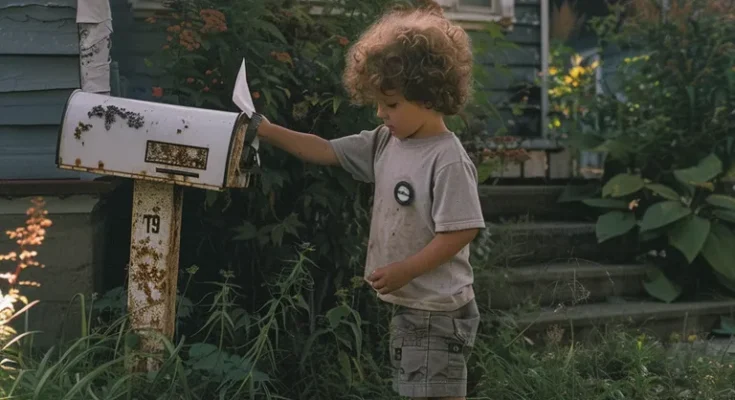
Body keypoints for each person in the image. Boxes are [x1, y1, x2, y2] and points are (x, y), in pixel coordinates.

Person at [251, 1, 485, 398]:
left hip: (439, 311)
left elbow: (461, 231)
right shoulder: (384, 142)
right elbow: (325, 150)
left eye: (391, 104)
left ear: (428, 96)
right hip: (415, 306)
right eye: (378, 102)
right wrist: (268, 131)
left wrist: (406, 270)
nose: (381, 113)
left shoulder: (447, 159)